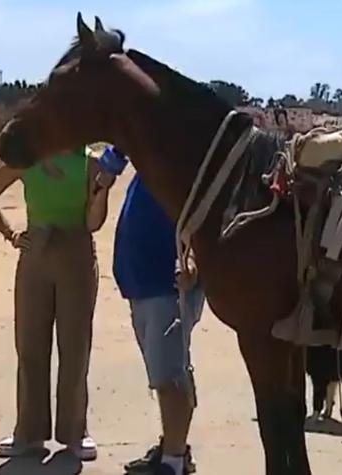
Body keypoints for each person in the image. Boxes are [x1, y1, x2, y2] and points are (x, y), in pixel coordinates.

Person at [0, 146, 115, 461]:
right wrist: (11, 234)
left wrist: (101, 190)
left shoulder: (91, 163)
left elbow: (93, 223)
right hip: (35, 255)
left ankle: (76, 432)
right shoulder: (27, 158)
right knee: (30, 347)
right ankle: (28, 432)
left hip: (76, 254)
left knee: (75, 348)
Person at [102, 146, 204, 475]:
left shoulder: (182, 167)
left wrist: (192, 262)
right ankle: (174, 448)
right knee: (166, 373)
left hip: (166, 285)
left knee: (170, 377)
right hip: (144, 284)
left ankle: (173, 462)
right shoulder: (151, 166)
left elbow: (201, 221)